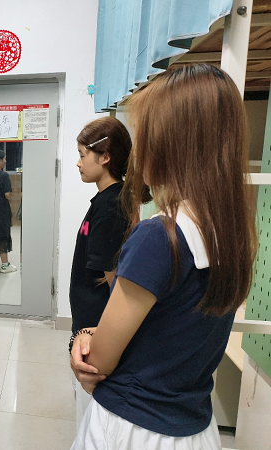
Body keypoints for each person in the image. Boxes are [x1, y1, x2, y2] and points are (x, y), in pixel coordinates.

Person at [70, 63, 257, 449]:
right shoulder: (230, 231)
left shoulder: (160, 237)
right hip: (192, 428)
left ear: (170, 144)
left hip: (132, 427)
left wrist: (84, 337)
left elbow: (98, 362)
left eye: (145, 136)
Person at [68, 117, 131, 429]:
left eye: (83, 155)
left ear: (105, 157)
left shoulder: (111, 206)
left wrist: (100, 337)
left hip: (96, 331)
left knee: (92, 419)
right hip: (89, 326)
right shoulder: (105, 200)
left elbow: (115, 283)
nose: (78, 163)